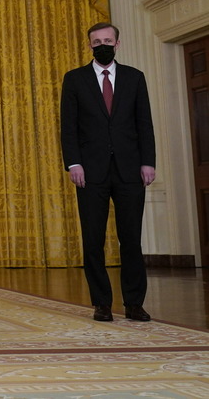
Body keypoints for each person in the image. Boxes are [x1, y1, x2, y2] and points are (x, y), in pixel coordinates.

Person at [60, 22, 156, 322]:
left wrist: (148, 162)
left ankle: (134, 303)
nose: (102, 44)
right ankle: (101, 303)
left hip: (130, 170)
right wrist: (73, 163)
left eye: (107, 40)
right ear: (89, 45)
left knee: (131, 239)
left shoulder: (134, 78)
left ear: (118, 43)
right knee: (93, 239)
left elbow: (144, 124)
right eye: (96, 41)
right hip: (90, 172)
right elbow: (68, 127)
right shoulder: (75, 79)